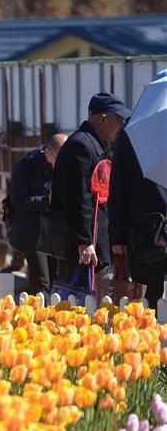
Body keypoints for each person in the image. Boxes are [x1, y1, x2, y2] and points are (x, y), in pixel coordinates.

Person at [51, 92, 131, 291]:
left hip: (95, 240)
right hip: (85, 246)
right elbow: (79, 197)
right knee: (79, 303)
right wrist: (84, 241)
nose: (121, 126)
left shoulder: (92, 143)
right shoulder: (81, 145)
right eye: (118, 120)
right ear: (103, 118)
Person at [109, 128, 167, 307]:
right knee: (148, 299)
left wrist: (118, 237)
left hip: (147, 230)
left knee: (148, 302)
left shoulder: (135, 132)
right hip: (148, 232)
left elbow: (118, 189)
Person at [7, 133, 68, 294]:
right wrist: (46, 199)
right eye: (60, 159)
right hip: (33, 232)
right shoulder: (26, 166)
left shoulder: (65, 164)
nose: (64, 163)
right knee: (42, 283)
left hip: (55, 232)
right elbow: (18, 201)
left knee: (56, 282)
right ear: (48, 152)